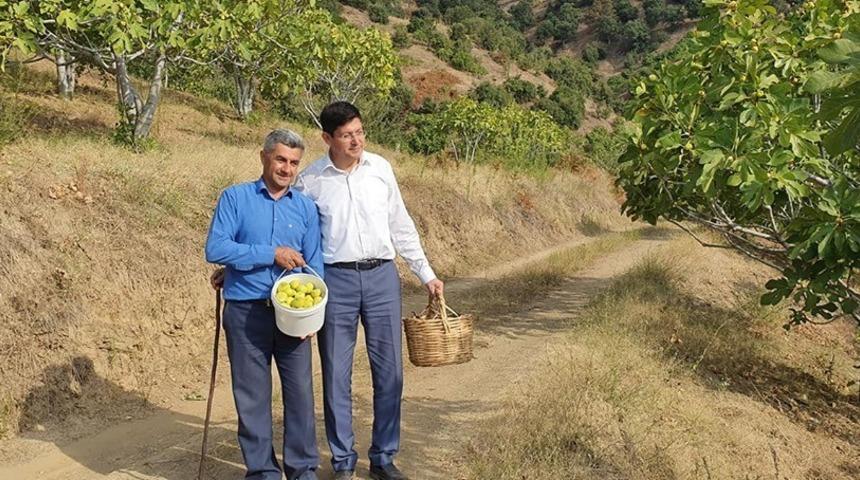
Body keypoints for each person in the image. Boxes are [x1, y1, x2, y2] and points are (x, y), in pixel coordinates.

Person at [294, 101, 444, 480]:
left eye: (359, 132)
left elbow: (400, 224)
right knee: (335, 373)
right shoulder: (310, 181)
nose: (356, 140)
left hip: (381, 278)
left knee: (389, 370)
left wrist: (425, 273)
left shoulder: (381, 170)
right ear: (327, 138)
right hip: (336, 282)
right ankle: (343, 461)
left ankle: (383, 458)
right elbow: (296, 237)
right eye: (346, 135)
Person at [204, 129, 324, 480]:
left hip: (294, 316)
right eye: (281, 159)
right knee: (252, 397)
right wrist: (270, 254)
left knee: (301, 394)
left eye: (294, 163)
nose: (287, 169)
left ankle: (302, 470)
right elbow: (216, 248)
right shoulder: (235, 199)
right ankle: (262, 472)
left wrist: (311, 317)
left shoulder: (305, 208)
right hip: (246, 311)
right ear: (264, 157)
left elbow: (315, 265)